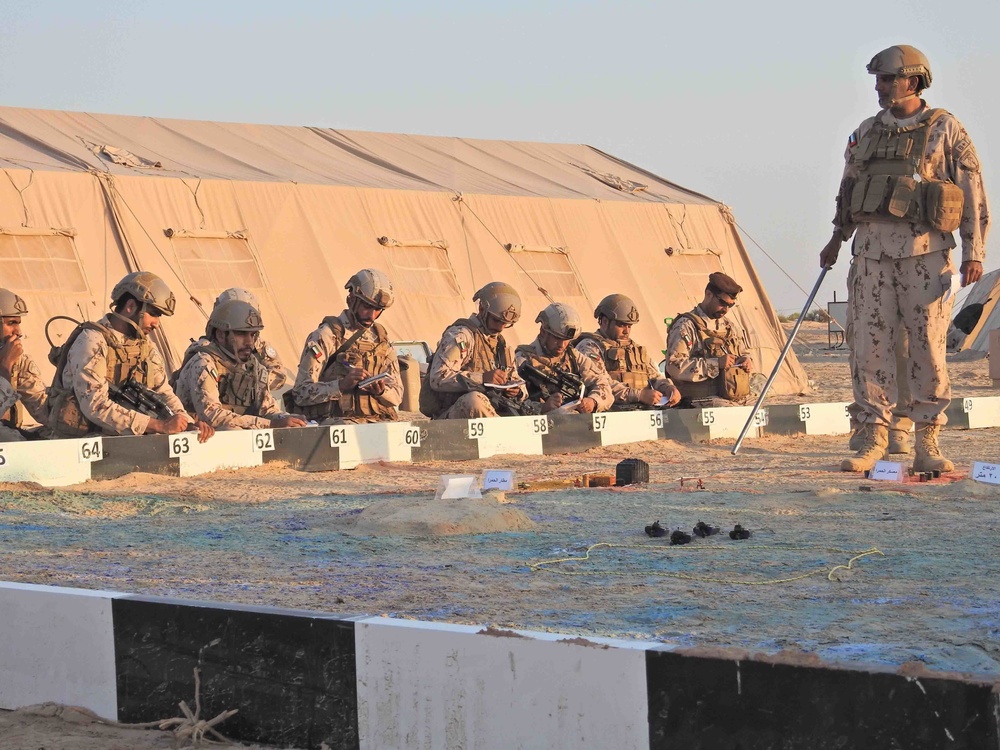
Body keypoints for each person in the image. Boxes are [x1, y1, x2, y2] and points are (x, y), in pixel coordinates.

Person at [819, 45, 990, 473]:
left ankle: (926, 439)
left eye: (886, 79)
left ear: (911, 81)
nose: (879, 87)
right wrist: (837, 239)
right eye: (877, 80)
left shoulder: (945, 128)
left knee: (928, 348)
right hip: (872, 256)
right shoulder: (866, 131)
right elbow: (848, 191)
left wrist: (974, 252)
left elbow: (972, 192)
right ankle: (872, 437)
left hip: (925, 256)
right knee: (869, 347)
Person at [47, 271, 214, 441]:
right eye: (154, 313)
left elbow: (163, 391)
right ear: (131, 306)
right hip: (81, 442)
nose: (157, 323)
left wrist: (187, 422)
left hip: (125, 439)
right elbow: (94, 404)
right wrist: (159, 425)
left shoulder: (145, 346)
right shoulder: (92, 340)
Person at [287, 269, 402, 424]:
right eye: (367, 306)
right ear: (352, 300)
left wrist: (381, 391)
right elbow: (301, 393)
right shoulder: (327, 336)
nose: (372, 315)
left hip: (376, 423)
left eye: (378, 310)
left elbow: (397, 394)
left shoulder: (380, 339)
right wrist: (341, 385)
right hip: (336, 426)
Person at [174, 299, 307, 430]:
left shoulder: (253, 366)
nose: (249, 342)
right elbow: (212, 416)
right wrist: (270, 425)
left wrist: (289, 420)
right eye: (241, 334)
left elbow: (267, 409)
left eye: (253, 335)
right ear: (220, 335)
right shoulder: (204, 362)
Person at [420, 281, 525, 419]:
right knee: (474, 401)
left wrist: (517, 391)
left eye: (506, 324)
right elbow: (438, 377)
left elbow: (518, 381)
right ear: (482, 310)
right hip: (452, 416)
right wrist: (482, 378)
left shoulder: (502, 347)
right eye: (496, 320)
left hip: (491, 414)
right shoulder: (462, 336)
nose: (501, 328)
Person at [574, 294, 680, 411]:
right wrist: (639, 395)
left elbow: (654, 376)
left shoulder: (634, 349)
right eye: (621, 325)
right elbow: (602, 384)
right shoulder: (590, 347)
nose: (626, 331)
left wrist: (668, 387)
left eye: (629, 326)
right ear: (604, 322)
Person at [665, 272, 754, 407]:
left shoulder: (729, 327)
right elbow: (674, 366)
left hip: (734, 395)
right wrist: (716, 364)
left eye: (730, 305)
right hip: (700, 399)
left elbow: (743, 352)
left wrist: (745, 360)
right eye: (722, 303)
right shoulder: (686, 326)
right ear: (708, 294)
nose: (725, 309)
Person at [515, 302, 613, 415]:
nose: (562, 345)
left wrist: (593, 401)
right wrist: (542, 408)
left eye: (566, 340)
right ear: (543, 331)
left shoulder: (574, 356)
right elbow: (512, 400)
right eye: (557, 338)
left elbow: (602, 383)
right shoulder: (523, 360)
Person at [0, 289, 49, 441]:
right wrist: (5, 367)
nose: (18, 331)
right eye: (11, 323)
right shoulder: (10, 360)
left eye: (18, 323)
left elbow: (45, 410)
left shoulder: (19, 362)